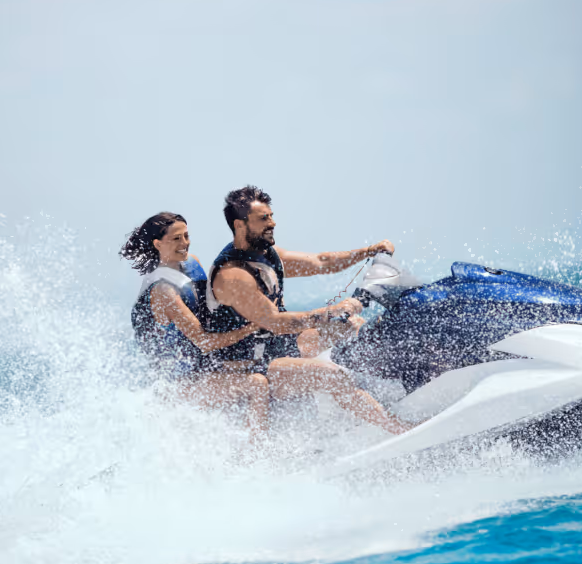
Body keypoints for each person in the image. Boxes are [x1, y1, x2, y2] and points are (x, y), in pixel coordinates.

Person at [206, 186, 409, 434]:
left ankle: (400, 388)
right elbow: (276, 322)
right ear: (240, 225)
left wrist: (368, 252)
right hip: (249, 365)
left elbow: (321, 262)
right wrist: (329, 312)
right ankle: (397, 429)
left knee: (353, 325)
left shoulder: (267, 255)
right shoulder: (233, 275)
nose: (273, 223)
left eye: (271, 215)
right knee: (335, 376)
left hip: (277, 347)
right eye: (263, 218)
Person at [120, 212, 271, 441]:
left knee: (266, 365)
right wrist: (253, 326)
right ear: (158, 244)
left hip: (202, 369)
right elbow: (204, 342)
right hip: (176, 387)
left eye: (186, 236)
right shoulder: (163, 291)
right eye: (176, 239)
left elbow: (217, 303)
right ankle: (255, 455)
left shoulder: (192, 264)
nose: (185, 243)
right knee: (256, 384)